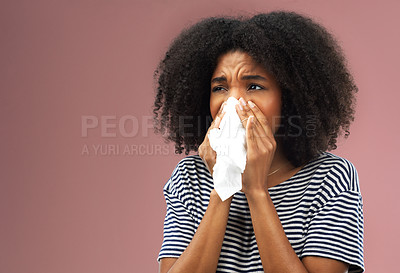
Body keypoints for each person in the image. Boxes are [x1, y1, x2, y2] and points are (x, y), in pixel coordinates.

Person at [153, 11, 364, 273]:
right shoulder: (189, 177)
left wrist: (256, 191)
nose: (233, 102)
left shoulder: (331, 178)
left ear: (289, 98)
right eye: (220, 87)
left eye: (253, 86)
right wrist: (224, 184)